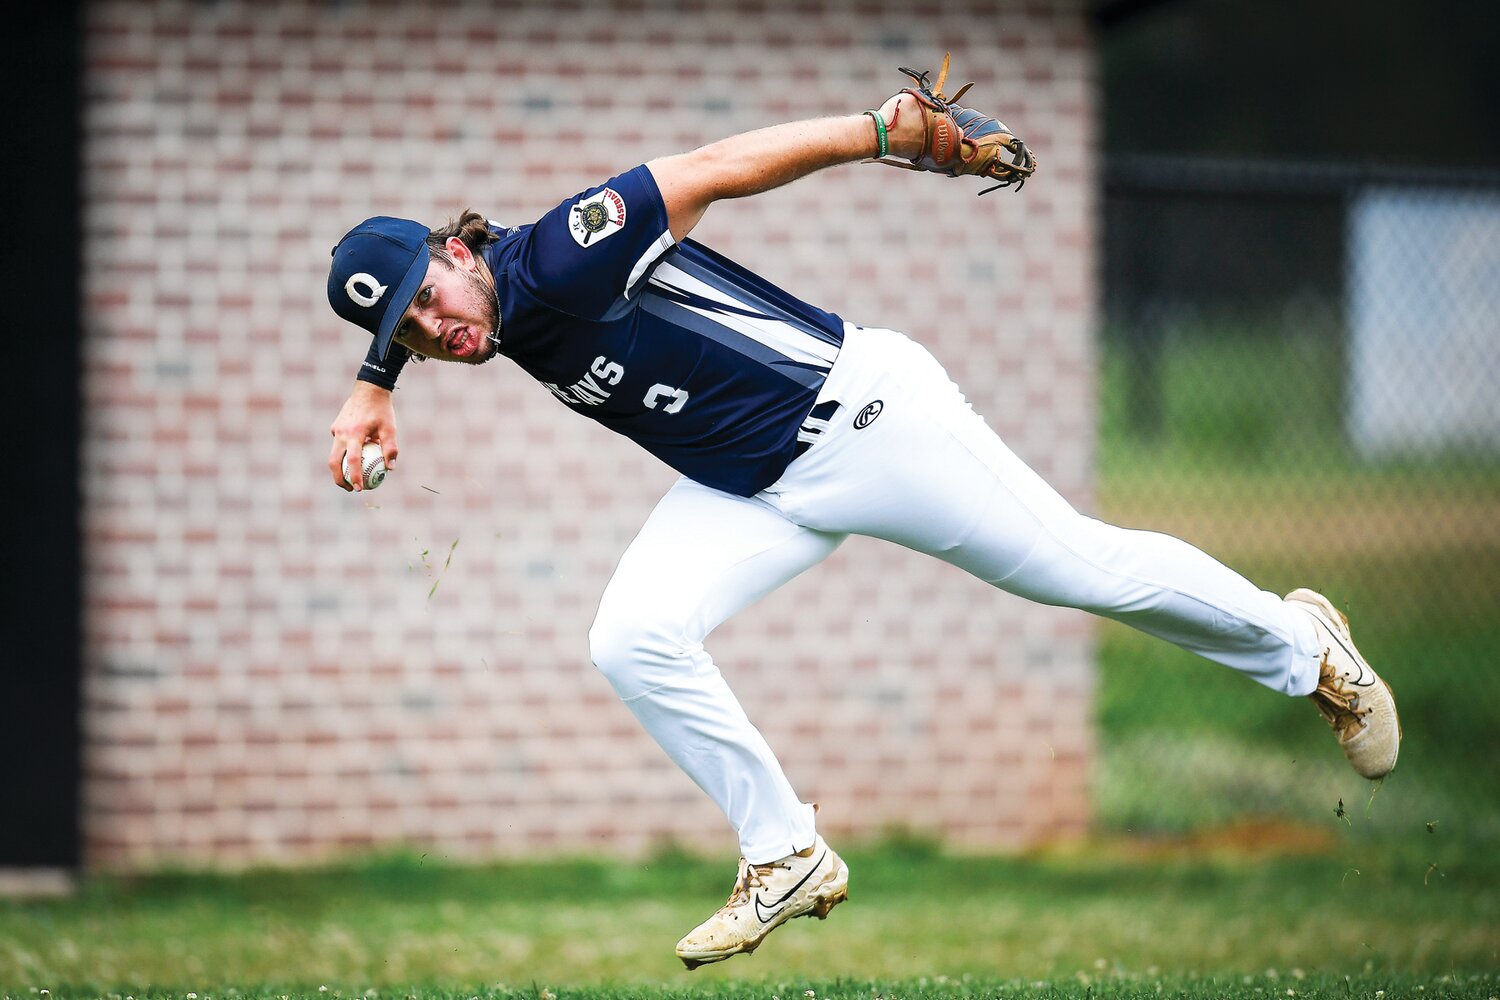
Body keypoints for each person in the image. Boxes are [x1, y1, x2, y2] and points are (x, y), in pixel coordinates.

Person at [324, 57, 1401, 969]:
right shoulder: (478, 309)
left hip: (868, 421)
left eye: (432, 296)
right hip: (755, 486)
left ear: (460, 251)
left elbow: (712, 171)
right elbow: (408, 307)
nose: (437, 328)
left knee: (1085, 569)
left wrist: (884, 133)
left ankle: (1304, 645)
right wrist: (378, 376)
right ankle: (785, 852)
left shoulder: (562, 252)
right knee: (632, 637)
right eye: (414, 331)